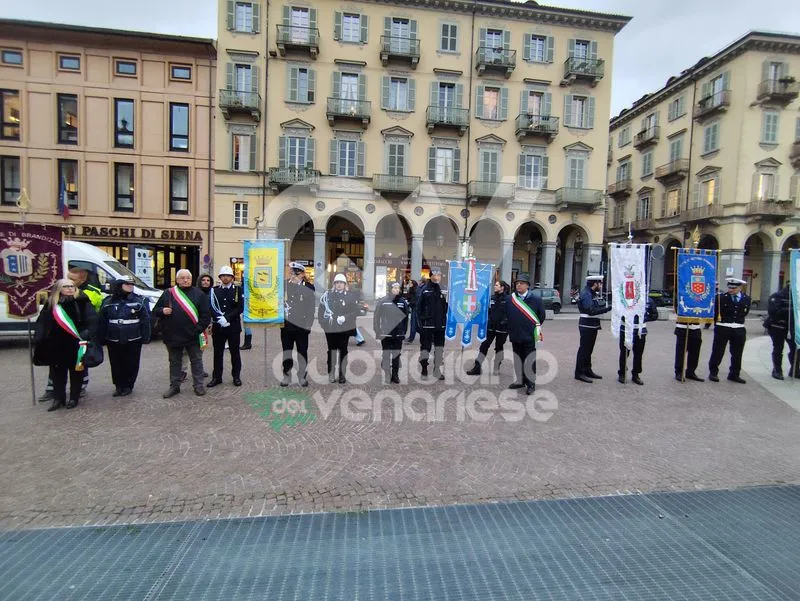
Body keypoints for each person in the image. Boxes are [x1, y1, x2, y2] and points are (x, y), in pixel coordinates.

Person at [38, 267, 104, 402]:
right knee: (57, 373)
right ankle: (59, 399)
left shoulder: (82, 301)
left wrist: (88, 335)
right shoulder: (52, 304)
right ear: (59, 289)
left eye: (72, 286)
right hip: (57, 344)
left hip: (76, 343)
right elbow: (43, 323)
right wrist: (41, 338)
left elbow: (92, 320)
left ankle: (74, 398)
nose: (69, 288)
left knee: (76, 372)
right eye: (66, 286)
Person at [152, 269, 211, 397]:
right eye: (182, 278)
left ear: (191, 279)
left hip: (193, 335)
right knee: (174, 362)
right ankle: (174, 386)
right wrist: (162, 310)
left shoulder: (199, 294)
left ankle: (198, 385)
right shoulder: (168, 293)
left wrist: (197, 329)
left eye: (188, 278)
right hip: (172, 335)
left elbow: (206, 316)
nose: (185, 280)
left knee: (196, 361)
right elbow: (155, 310)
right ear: (177, 280)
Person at [96, 275, 151, 397]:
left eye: (132, 284)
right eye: (127, 284)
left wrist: (146, 337)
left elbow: (145, 320)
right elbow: (102, 321)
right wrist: (101, 338)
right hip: (113, 338)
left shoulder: (139, 301)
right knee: (116, 363)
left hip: (133, 338)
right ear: (119, 285)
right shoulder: (108, 302)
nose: (131, 286)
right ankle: (118, 386)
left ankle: (128, 385)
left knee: (131, 363)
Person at [505, 273, 546, 395]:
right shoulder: (510, 299)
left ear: (528, 286)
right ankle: (520, 380)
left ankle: (531, 383)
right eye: (517, 283)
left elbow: (541, 316)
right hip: (515, 334)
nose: (518, 285)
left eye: (521, 283)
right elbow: (506, 315)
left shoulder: (536, 300)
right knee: (518, 359)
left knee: (529, 360)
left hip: (529, 335)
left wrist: (531, 328)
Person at [708, 277, 751, 384]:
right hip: (723, 327)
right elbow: (714, 313)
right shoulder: (720, 298)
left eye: (734, 288)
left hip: (738, 328)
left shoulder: (746, 298)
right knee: (718, 351)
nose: (731, 290)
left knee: (737, 353)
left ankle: (734, 374)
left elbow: (745, 313)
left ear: (740, 287)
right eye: (729, 287)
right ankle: (713, 372)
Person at [319, 273, 360, 383]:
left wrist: (345, 317)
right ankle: (331, 373)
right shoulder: (328, 295)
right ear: (334, 284)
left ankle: (342, 374)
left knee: (343, 351)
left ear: (345, 284)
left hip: (344, 329)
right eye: (337, 283)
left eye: (341, 282)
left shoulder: (350, 296)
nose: (339, 285)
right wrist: (324, 325)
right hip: (331, 329)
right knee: (331, 352)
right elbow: (321, 311)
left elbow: (355, 312)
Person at [207, 266, 244, 388]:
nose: (225, 278)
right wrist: (218, 319)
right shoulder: (214, 290)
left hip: (233, 327)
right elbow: (210, 306)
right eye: (223, 276)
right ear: (220, 278)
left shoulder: (238, 290)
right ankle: (217, 377)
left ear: (232, 278)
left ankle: (236, 376)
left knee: (235, 353)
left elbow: (240, 307)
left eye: (228, 276)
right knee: (218, 353)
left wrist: (227, 318)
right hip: (219, 327)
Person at [280, 261, 316, 387]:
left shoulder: (309, 287)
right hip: (286, 326)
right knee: (287, 351)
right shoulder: (284, 285)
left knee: (302, 352)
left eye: (296, 273)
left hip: (302, 326)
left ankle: (302, 376)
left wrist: (309, 325)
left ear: (302, 274)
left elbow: (311, 308)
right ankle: (286, 375)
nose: (293, 275)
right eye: (291, 272)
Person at [466, 280, 510, 376]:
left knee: (499, 348)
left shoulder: (509, 299)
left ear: (502, 287)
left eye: (497, 285)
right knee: (484, 346)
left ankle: (496, 367)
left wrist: (505, 321)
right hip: (490, 327)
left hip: (502, 329)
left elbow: (511, 313)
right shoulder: (492, 298)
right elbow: (485, 311)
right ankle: (477, 367)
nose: (495, 286)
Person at [575, 274, 612, 383]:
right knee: (584, 349)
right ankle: (579, 372)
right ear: (595, 283)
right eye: (599, 283)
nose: (601, 285)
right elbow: (590, 310)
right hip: (587, 324)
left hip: (592, 324)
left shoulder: (591, 293)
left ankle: (587, 369)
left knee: (589, 349)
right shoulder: (586, 294)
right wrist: (607, 309)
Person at [374, 281, 409, 384]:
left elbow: (406, 318)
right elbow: (377, 317)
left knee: (396, 355)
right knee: (386, 355)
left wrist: (404, 331)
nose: (397, 290)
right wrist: (377, 331)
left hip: (398, 333)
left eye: (398, 288)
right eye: (394, 288)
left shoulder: (402, 302)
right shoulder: (383, 301)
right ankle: (387, 375)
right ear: (390, 289)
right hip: (386, 333)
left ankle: (395, 375)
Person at [416, 268, 448, 380]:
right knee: (425, 348)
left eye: (439, 275)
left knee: (439, 348)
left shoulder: (444, 289)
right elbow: (418, 309)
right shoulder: (424, 290)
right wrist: (420, 324)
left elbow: (448, 306)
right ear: (431, 276)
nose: (437, 277)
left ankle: (437, 370)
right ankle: (424, 368)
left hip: (440, 325)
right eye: (435, 275)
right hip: (427, 325)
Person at [617, 296, 657, 385]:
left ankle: (636, 374)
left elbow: (654, 315)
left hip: (640, 331)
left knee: (638, 354)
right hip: (626, 329)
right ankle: (622, 373)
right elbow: (618, 312)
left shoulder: (648, 300)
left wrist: (643, 319)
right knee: (624, 352)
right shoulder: (625, 298)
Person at [764, 282, 795, 380]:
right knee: (778, 349)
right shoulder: (777, 296)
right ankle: (777, 370)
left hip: (792, 328)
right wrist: (792, 310)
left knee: (795, 349)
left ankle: (794, 369)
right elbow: (773, 311)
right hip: (777, 327)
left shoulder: (797, 297)